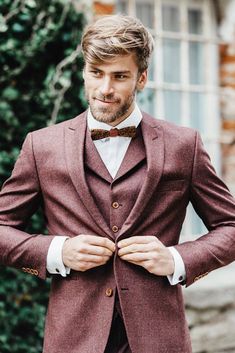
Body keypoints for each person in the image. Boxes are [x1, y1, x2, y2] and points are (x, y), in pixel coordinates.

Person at [1, 13, 235, 353]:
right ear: (84, 71)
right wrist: (58, 251)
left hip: (159, 339)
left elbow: (229, 226)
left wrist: (176, 259)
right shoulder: (42, 145)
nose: (105, 89)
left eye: (119, 76)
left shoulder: (184, 145)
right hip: (73, 339)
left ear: (141, 78)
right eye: (96, 73)